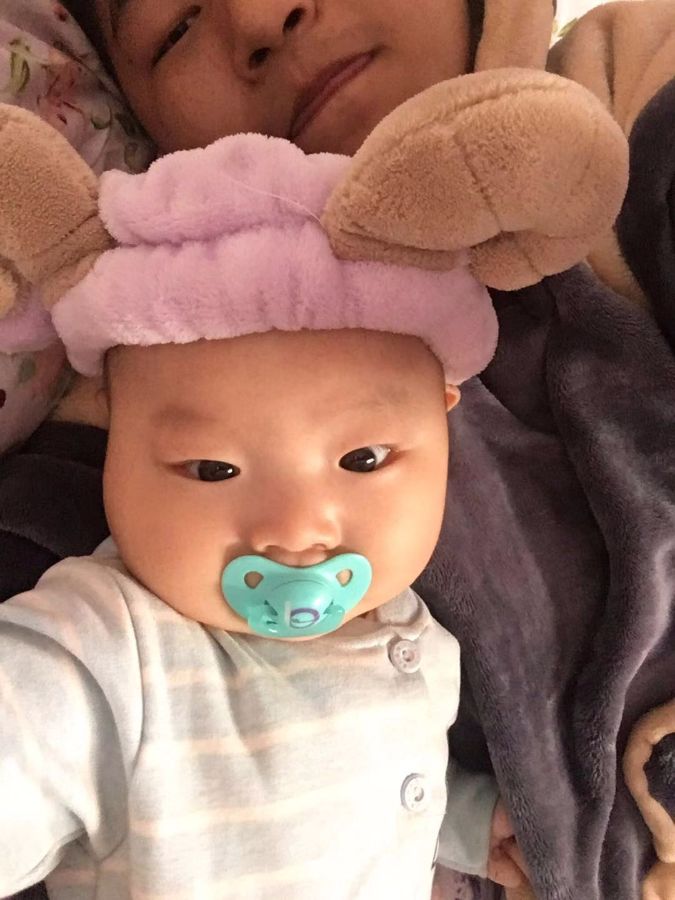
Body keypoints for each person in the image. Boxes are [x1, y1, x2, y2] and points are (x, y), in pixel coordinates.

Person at [0, 125, 529, 899]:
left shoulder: (415, 636)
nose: (295, 530)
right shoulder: (108, 654)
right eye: (213, 469)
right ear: (111, 437)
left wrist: (470, 824)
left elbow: (359, 791)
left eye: (363, 460)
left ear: (443, 423)